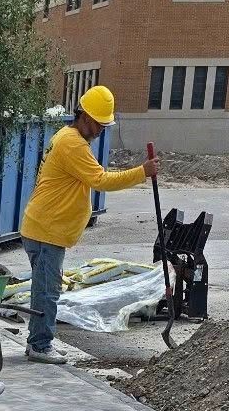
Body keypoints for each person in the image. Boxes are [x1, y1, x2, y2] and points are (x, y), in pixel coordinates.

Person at [18, 84, 158, 363]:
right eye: (98, 124)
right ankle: (40, 345)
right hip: (47, 230)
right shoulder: (72, 144)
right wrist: (142, 172)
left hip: (45, 228)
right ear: (84, 116)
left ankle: (38, 340)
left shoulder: (68, 138)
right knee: (48, 291)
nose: (100, 131)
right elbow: (101, 180)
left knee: (44, 288)